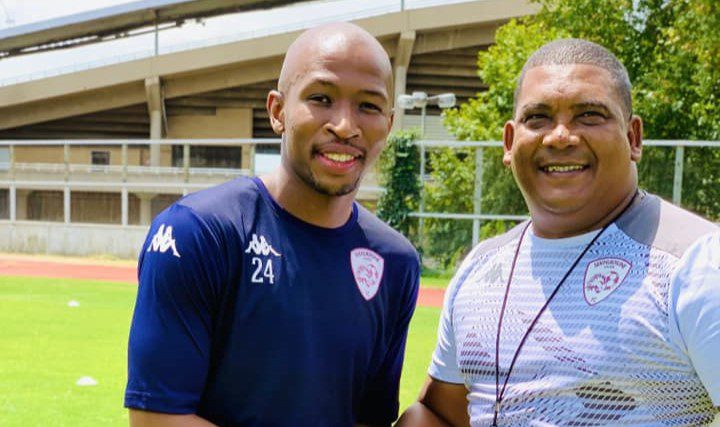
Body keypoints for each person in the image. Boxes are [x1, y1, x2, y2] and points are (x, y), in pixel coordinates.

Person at [398, 38, 720, 426]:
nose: (560, 136)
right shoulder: (481, 268)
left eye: (589, 115)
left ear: (634, 138)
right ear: (509, 142)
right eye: (538, 118)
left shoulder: (697, 262)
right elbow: (440, 413)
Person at [125, 22, 420, 427]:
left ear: (387, 124)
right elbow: (157, 419)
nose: (345, 125)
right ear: (278, 112)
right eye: (321, 98)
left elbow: (369, 417)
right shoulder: (198, 233)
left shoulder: (395, 262)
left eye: (368, 106)